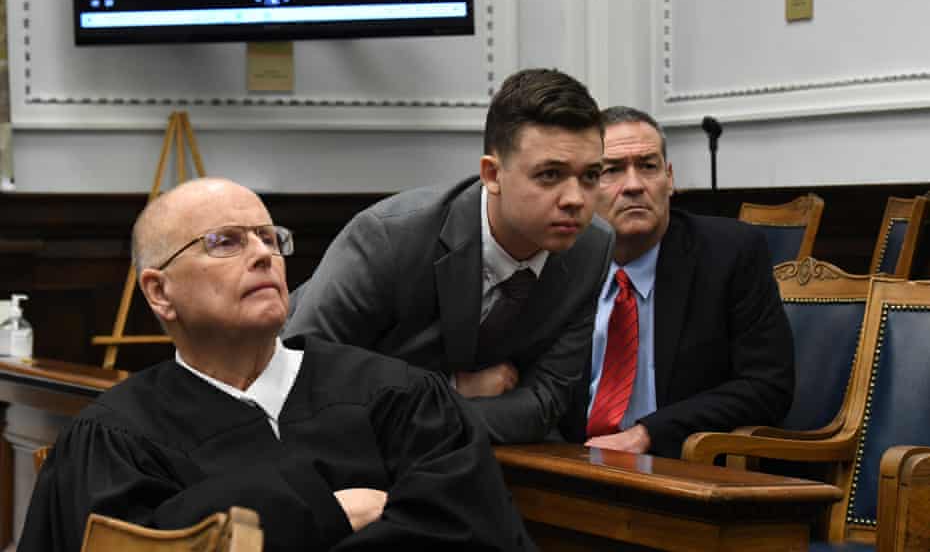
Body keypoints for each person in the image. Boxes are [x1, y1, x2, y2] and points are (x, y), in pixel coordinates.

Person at [20, 178, 537, 552]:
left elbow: (471, 531)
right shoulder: (114, 438)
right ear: (160, 292)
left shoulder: (399, 398)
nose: (264, 254)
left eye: (270, 238)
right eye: (226, 241)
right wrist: (330, 512)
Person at [283, 68, 614, 444]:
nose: (575, 199)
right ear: (492, 174)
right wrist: (452, 388)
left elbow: (544, 403)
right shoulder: (390, 236)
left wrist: (436, 409)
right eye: (550, 175)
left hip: (454, 446)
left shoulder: (593, 246)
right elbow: (304, 382)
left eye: (590, 176)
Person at [560, 107, 794, 459]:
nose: (634, 185)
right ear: (586, 187)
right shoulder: (561, 262)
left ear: (669, 179)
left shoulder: (729, 255)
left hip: (679, 467)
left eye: (649, 166)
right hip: (572, 463)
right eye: (612, 170)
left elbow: (767, 385)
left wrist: (648, 434)